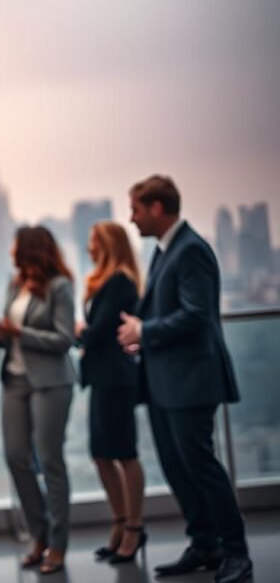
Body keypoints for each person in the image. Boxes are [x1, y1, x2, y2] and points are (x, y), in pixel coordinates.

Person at [118, 175, 252, 583]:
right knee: (177, 466)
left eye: (136, 209)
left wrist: (145, 331)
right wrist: (144, 336)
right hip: (165, 380)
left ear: (157, 207)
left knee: (201, 466)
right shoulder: (166, 250)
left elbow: (196, 315)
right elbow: (173, 313)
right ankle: (205, 544)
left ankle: (236, 553)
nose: (132, 218)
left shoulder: (190, 250)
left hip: (190, 381)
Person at [0, 225, 76, 575]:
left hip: (49, 382)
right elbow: (10, 338)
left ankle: (58, 543)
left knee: (50, 460)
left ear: (29, 249)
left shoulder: (60, 286)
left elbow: (64, 339)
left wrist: (19, 332)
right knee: (15, 457)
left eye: (15, 246)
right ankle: (38, 533)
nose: (11, 251)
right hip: (14, 380)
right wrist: (1, 334)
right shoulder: (15, 285)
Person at [75, 221, 146, 564]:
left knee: (124, 453)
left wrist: (80, 332)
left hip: (116, 379)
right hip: (102, 378)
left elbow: (100, 331)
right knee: (102, 454)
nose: (89, 247)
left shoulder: (120, 281)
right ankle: (120, 522)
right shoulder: (105, 280)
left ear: (107, 245)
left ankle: (134, 527)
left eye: (93, 241)